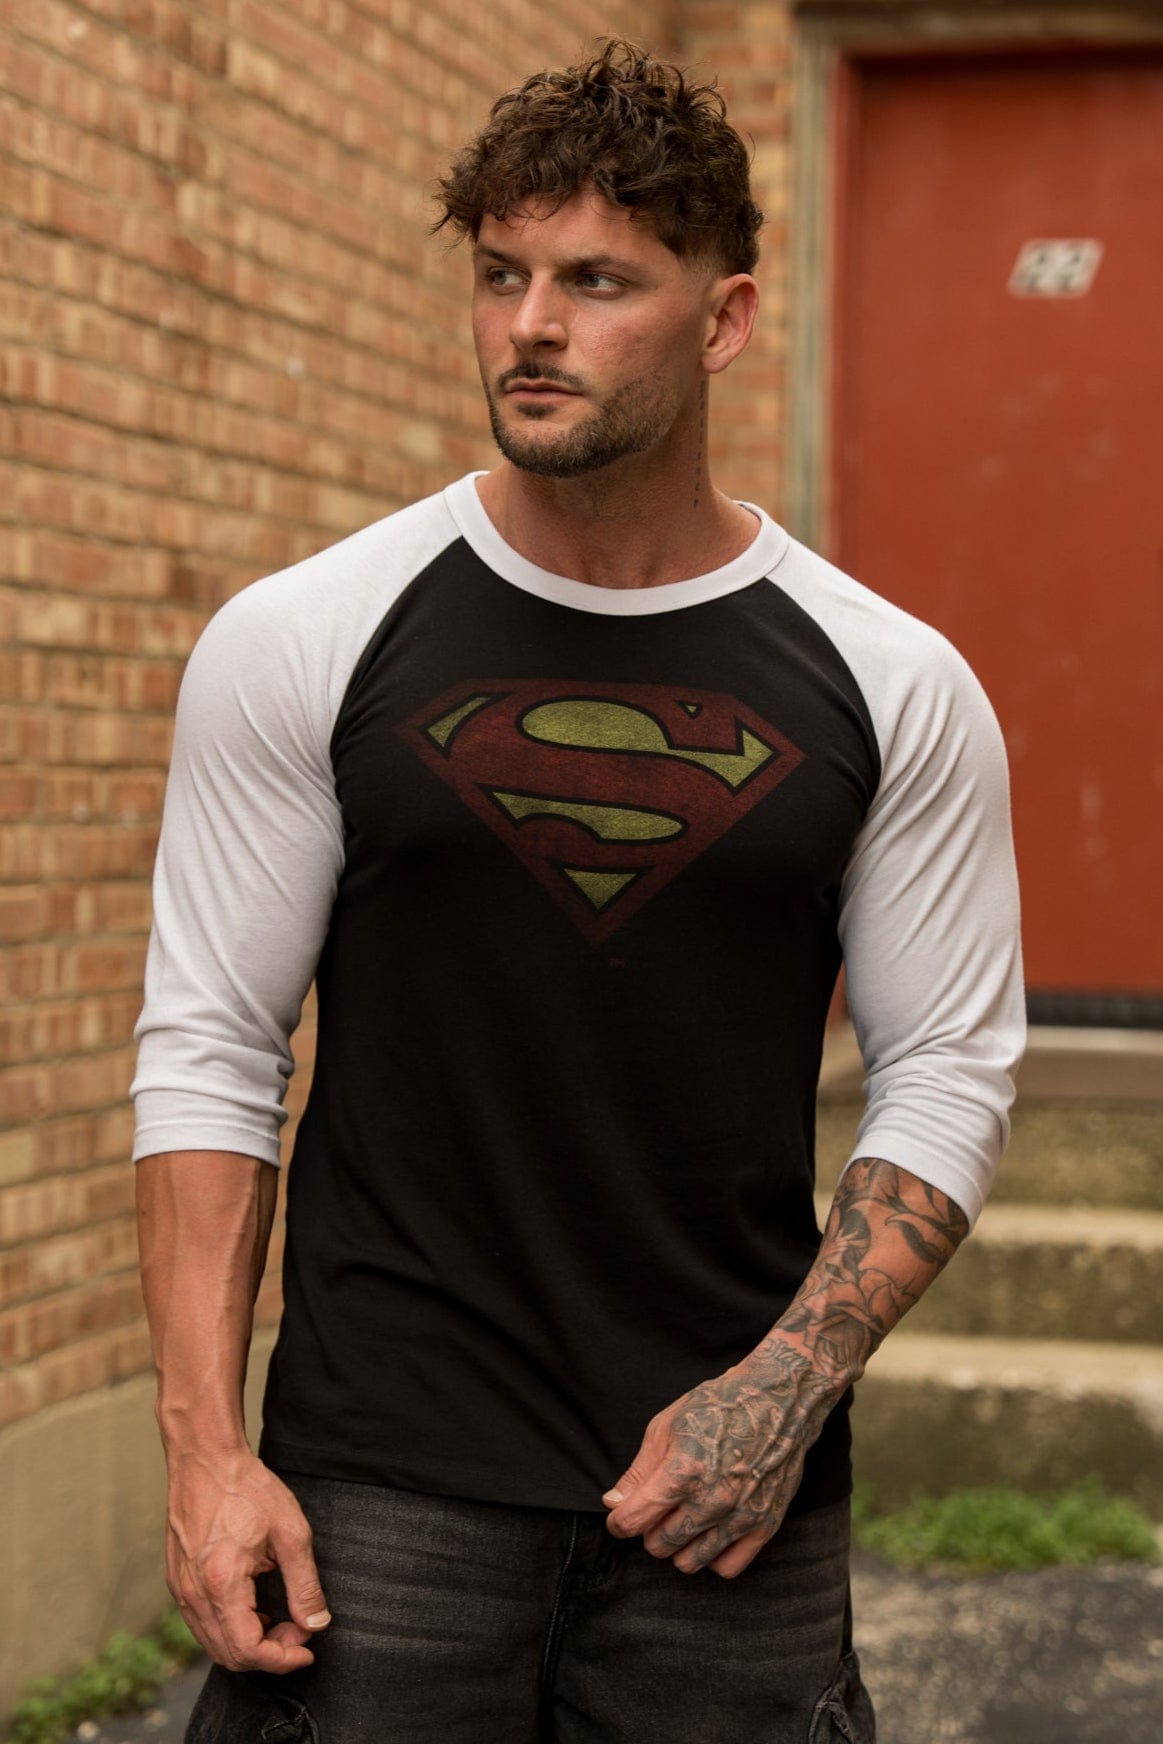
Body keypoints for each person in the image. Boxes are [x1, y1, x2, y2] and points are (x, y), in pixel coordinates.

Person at [132, 38, 1024, 1744]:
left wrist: (786, 1388)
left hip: (725, 1501)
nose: (529, 327)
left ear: (725, 318)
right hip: (380, 1489)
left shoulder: (890, 682)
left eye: (597, 282)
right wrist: (203, 1451)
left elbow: (949, 1069)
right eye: (501, 276)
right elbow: (210, 1047)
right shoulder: (307, 637)